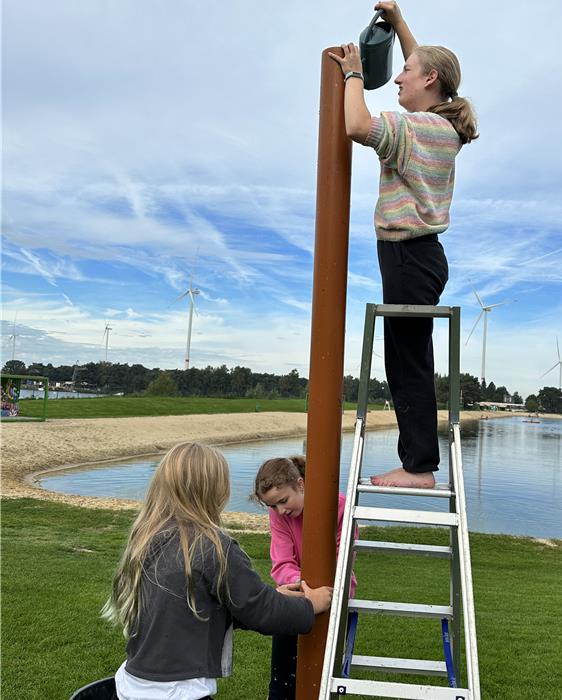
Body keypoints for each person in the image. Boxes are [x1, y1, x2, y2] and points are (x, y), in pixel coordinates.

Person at [329, 1, 478, 488]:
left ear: (430, 80)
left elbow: (355, 126)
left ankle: (419, 468)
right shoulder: (443, 124)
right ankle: (419, 462)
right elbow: (428, 63)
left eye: (405, 72)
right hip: (416, 256)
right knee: (406, 357)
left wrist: (353, 75)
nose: (397, 78)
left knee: (406, 362)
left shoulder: (416, 130)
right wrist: (398, 25)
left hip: (409, 255)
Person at [102, 442, 332, 700]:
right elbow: (260, 610)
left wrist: (278, 596)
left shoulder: (147, 538)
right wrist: (311, 604)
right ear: (213, 490)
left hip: (132, 686)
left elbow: (212, 605)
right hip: (179, 692)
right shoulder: (212, 547)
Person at [252, 455, 357, 700]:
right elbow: (281, 562)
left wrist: (312, 589)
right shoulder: (279, 515)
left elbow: (343, 560)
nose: (280, 510)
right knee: (283, 670)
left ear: (301, 484)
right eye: (272, 506)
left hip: (334, 589)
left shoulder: (340, 507)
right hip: (297, 591)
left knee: (321, 672)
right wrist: (304, 587)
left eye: (283, 501)